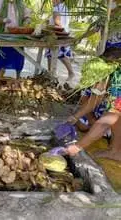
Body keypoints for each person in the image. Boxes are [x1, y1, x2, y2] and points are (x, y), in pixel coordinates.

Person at [65, 1, 121, 161]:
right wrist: (75, 117)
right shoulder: (110, 71)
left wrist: (77, 147)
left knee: (113, 116)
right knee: (117, 117)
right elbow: (95, 99)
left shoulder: (113, 77)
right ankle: (116, 151)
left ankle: (116, 151)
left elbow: (106, 121)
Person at [0, 0, 31, 79]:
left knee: (18, 56)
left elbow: (27, 16)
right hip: (3, 35)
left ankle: (18, 77)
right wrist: (3, 20)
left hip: (17, 35)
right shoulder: (1, 3)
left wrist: (27, 20)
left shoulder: (20, 3)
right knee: (2, 56)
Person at [45, 0, 75, 82]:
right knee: (51, 55)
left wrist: (52, 26)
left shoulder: (57, 7)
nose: (52, 1)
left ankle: (69, 73)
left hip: (58, 34)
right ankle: (50, 73)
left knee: (60, 55)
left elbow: (57, 21)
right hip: (61, 33)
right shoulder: (64, 7)